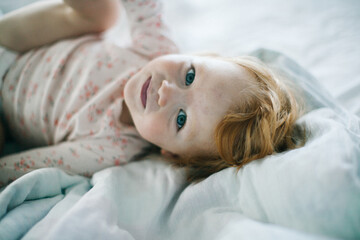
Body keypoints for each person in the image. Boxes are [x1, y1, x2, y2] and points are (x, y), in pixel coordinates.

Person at [0, 0, 305, 186]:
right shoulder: (156, 48)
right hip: (15, 44)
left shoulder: (112, 147)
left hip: (4, 105)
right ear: (201, 55)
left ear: (171, 153)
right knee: (101, 14)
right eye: (189, 75)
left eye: (181, 119)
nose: (166, 92)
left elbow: (27, 167)